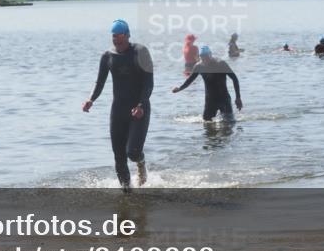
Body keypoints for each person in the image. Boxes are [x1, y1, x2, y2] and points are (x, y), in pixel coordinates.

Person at [83, 19, 154, 191]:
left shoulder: (140, 52)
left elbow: (149, 83)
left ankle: (141, 162)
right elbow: (99, 82)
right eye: (114, 36)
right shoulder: (107, 56)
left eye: (120, 35)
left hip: (139, 109)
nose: (117, 39)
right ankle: (127, 192)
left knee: (133, 153)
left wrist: (141, 105)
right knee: (119, 156)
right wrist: (91, 99)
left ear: (128, 35)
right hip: (118, 110)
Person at [171, 45, 243, 121]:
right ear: (200, 57)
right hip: (210, 100)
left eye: (206, 56)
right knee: (206, 122)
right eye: (202, 57)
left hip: (224, 99)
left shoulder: (221, 64)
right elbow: (190, 80)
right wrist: (180, 88)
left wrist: (238, 97)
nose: (205, 59)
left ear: (210, 55)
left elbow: (234, 79)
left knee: (229, 124)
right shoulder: (199, 66)